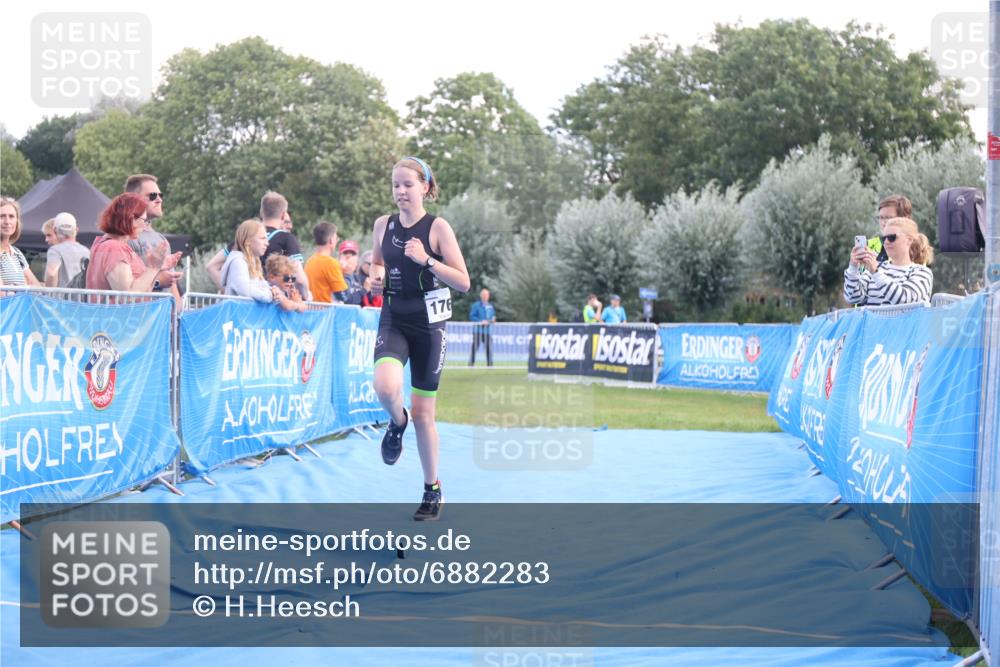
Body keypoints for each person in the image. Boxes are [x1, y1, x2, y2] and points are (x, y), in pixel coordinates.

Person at [370, 156, 470, 521]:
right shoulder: (383, 225)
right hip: (394, 317)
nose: (400, 191)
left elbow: (463, 281)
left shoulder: (438, 227)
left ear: (425, 187)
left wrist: (427, 260)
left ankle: (432, 490)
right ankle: (397, 421)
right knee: (384, 387)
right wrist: (374, 276)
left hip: (430, 325)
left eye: (408, 184)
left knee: (426, 413)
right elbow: (377, 263)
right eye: (395, 184)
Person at [86, 193, 182, 294]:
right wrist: (153, 267)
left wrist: (157, 264)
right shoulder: (114, 248)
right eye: (144, 220)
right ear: (131, 218)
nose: (145, 226)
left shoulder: (108, 245)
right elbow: (129, 295)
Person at [844, 217, 934, 305]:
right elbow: (852, 298)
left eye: (891, 237)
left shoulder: (922, 272)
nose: (886, 242)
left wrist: (876, 273)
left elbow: (904, 299)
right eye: (884, 238)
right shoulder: (875, 268)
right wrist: (853, 268)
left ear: (909, 240)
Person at [124, 174, 183, 308]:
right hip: (138, 316)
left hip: (163, 319)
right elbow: (125, 286)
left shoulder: (161, 239)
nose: (159, 200)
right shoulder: (125, 237)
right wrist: (157, 282)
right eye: (152, 196)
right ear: (134, 200)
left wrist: (178, 315)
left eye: (160, 195)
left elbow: (171, 281)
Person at [219, 219, 300, 311]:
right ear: (248, 240)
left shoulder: (252, 263)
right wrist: (270, 295)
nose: (267, 243)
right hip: (238, 320)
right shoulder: (238, 262)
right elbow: (245, 290)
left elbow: (260, 286)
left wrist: (273, 290)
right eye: (262, 238)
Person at [304, 221, 348, 303]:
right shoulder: (331, 263)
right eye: (336, 238)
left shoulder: (310, 261)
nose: (337, 241)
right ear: (331, 240)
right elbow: (343, 296)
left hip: (311, 311)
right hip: (326, 312)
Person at [0, 198, 40, 287]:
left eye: (11, 216)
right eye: (2, 216)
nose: (7, 221)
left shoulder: (17, 253)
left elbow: (37, 287)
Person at [44, 213, 90, 288]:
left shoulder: (55, 251)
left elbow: (51, 274)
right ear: (76, 230)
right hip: (80, 298)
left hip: (61, 298)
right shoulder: (86, 251)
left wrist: (49, 294)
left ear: (55, 230)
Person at [869, 195, 913, 264]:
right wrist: (855, 266)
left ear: (905, 219)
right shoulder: (871, 245)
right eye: (881, 217)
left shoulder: (917, 248)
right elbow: (861, 273)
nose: (883, 222)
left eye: (888, 218)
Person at [469, 288, 496, 367]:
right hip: (478, 330)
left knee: (489, 348)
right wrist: (481, 321)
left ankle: (490, 365)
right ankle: (471, 364)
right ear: (481, 296)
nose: (485, 296)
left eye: (486, 295)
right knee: (474, 348)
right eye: (484, 295)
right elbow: (472, 316)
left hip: (487, 331)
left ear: (488, 296)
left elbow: (493, 316)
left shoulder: (490, 306)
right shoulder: (476, 305)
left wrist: (493, 320)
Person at [339, 240, 364, 305]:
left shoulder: (357, 278)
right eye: (345, 253)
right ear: (340, 257)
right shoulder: (337, 275)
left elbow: (362, 301)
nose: (348, 256)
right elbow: (347, 301)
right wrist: (364, 291)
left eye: (352, 254)